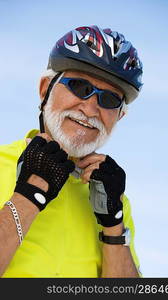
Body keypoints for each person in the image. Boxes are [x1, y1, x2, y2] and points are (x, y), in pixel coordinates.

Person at [0, 25, 143, 278]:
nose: (90, 109)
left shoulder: (114, 200)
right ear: (45, 88)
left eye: (109, 99)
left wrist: (113, 223)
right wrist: (28, 195)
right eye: (79, 86)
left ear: (119, 117)